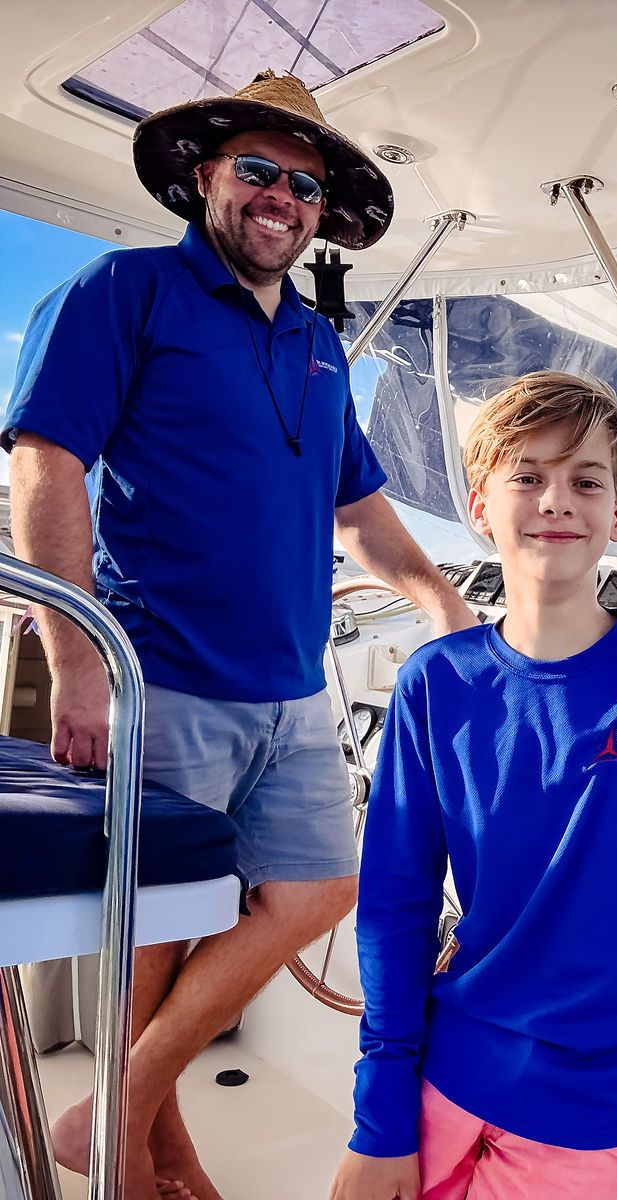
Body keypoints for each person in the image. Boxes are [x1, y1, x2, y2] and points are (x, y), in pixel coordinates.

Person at [4, 71, 473, 1200]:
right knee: (156, 932)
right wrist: (76, 660)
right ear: (205, 176)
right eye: (258, 170)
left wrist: (447, 607)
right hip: (159, 676)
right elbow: (46, 461)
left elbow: (358, 513)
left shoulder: (316, 347)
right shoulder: (126, 292)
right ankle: (153, 1163)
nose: (282, 197)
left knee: (317, 889)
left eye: (305, 184)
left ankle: (116, 1108)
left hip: (292, 689)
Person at [328, 371, 617, 1200]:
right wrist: (380, 1118)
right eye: (527, 477)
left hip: (598, 1111)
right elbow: (397, 907)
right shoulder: (435, 682)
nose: (557, 499)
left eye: (585, 480)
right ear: (481, 506)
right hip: (445, 1080)